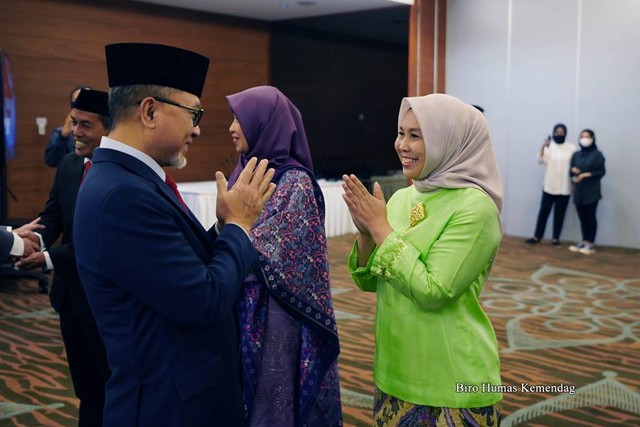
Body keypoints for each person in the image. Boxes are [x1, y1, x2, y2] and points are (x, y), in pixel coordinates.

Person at [73, 43, 276, 426]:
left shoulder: (132, 180)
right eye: (193, 113)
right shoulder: (122, 194)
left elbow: (171, 270)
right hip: (166, 405)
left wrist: (220, 227)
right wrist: (239, 226)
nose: (197, 129)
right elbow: (204, 299)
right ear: (150, 111)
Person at [343, 94, 503, 426]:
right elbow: (369, 280)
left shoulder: (475, 207)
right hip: (394, 370)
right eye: (401, 133)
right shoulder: (403, 196)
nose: (402, 144)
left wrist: (380, 228)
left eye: (416, 135)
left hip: (450, 380)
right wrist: (365, 233)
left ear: (449, 140)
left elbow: (434, 290)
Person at [226, 85, 342, 426]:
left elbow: (291, 255)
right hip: (238, 304)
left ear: (264, 123)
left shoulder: (296, 183)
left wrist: (233, 233)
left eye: (239, 119)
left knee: (271, 401)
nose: (232, 128)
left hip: (279, 316)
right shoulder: (243, 170)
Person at [17, 88, 111, 426]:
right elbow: (53, 218)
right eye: (74, 123)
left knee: (112, 388)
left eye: (86, 125)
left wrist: (46, 259)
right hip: (70, 297)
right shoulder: (69, 166)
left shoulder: (118, 175)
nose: (76, 133)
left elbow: (99, 243)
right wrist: (32, 241)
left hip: (106, 302)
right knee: (87, 390)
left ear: (109, 129)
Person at [525, 123, 578, 247]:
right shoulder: (550, 146)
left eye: (562, 132)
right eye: (557, 132)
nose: (559, 134)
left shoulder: (571, 148)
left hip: (565, 187)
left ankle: (555, 239)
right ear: (553, 132)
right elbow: (540, 160)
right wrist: (544, 146)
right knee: (544, 212)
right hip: (549, 186)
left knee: (560, 214)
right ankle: (537, 236)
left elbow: (574, 165)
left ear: (565, 133)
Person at [568, 129, 605, 255]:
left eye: (587, 136)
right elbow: (570, 171)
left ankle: (590, 243)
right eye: (582, 136)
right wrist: (573, 172)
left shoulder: (597, 154)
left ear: (592, 138)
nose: (584, 139)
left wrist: (586, 175)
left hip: (591, 191)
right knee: (582, 217)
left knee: (590, 217)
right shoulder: (576, 155)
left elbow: (601, 172)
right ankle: (584, 240)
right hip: (579, 191)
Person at [44, 85, 91, 167]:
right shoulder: (60, 132)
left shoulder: (101, 129)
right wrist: (63, 135)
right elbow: (50, 160)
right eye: (77, 102)